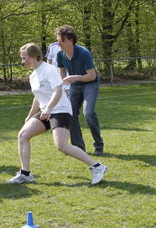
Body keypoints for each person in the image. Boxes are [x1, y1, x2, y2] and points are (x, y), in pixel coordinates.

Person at [7, 43, 107, 185]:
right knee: (23, 135)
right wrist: (30, 115)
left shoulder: (49, 70)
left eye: (24, 58)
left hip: (60, 110)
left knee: (62, 146)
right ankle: (25, 174)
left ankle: (97, 167)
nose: (23, 61)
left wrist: (48, 109)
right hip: (46, 111)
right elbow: (37, 96)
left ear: (33, 56)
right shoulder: (33, 76)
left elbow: (57, 90)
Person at [55, 25, 104, 156]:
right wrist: (63, 85)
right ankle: (79, 148)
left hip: (90, 84)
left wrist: (75, 77)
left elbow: (92, 75)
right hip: (74, 86)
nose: (58, 43)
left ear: (70, 40)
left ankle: (99, 145)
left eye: (61, 40)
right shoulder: (60, 54)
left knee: (88, 113)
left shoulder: (84, 53)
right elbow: (62, 70)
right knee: (71, 115)